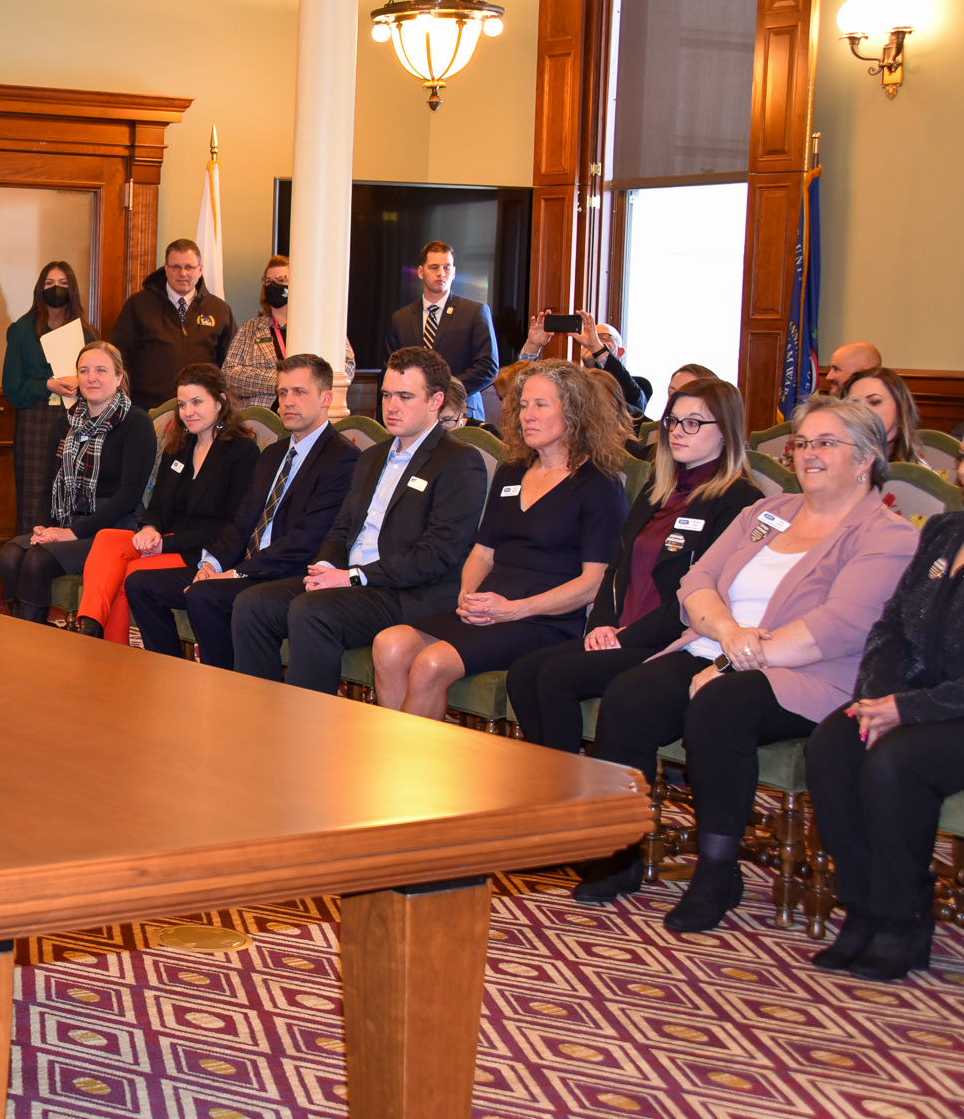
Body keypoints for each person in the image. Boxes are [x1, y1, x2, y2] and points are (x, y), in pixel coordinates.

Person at [587, 394, 918, 933]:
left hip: (809, 676)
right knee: (631, 694)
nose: (809, 454)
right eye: (803, 443)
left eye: (826, 443)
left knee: (721, 705)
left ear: (865, 458)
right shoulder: (767, 512)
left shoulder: (887, 536)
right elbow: (697, 582)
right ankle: (618, 848)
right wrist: (728, 636)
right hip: (716, 650)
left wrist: (739, 658)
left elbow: (838, 628)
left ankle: (717, 870)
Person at [805, 398, 964, 980]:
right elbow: (892, 624)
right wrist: (877, 698)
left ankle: (902, 919)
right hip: (927, 698)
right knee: (834, 743)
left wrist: (907, 709)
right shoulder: (948, 528)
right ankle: (863, 906)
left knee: (899, 761)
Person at [506, 378, 763, 902]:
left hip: (672, 641)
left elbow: (698, 597)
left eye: (695, 422)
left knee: (556, 675)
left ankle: (594, 833)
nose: (679, 432)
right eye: (673, 421)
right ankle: (561, 808)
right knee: (526, 671)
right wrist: (602, 622)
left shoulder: (740, 501)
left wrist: (625, 638)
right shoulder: (659, 488)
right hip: (619, 631)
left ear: (727, 431)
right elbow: (617, 567)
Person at [372, 359, 629, 721]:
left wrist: (514, 609)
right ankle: (403, 757)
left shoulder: (599, 485)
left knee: (431, 663)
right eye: (523, 405)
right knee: (389, 645)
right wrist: (468, 597)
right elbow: (482, 551)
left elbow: (594, 583)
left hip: (542, 620)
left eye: (541, 405)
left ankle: (415, 771)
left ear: (573, 411)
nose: (528, 415)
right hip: (489, 609)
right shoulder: (512, 470)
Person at [231, 348, 488, 690]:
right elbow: (341, 529)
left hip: (406, 592)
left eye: (405, 396)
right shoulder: (372, 456)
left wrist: (352, 577)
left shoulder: (458, 461)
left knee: (313, 611)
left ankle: (306, 727)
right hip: (354, 581)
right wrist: (324, 568)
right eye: (386, 395)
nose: (391, 406)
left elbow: (436, 556)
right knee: (254, 603)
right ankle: (254, 713)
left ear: (435, 400)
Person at [126, 355, 359, 666]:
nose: (288, 402)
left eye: (299, 392)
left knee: (204, 596)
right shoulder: (274, 453)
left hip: (285, 573)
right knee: (142, 584)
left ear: (326, 398)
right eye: (283, 393)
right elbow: (241, 522)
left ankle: (224, 686)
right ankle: (167, 673)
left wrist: (234, 572)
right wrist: (211, 564)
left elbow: (307, 540)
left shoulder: (342, 458)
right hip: (241, 565)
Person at [73, 364, 259, 642]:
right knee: (107, 538)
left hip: (201, 551)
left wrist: (165, 544)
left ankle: (112, 657)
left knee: (128, 574)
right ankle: (89, 627)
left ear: (220, 402)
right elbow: (158, 505)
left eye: (197, 402)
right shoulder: (179, 447)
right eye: (183, 405)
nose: (188, 412)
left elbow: (231, 525)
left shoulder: (241, 452)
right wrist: (149, 528)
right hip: (166, 541)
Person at [0, 342, 155, 625]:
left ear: (119, 378)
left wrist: (72, 533)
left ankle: (29, 644)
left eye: (101, 370)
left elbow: (129, 496)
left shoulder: (136, 423)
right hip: (67, 520)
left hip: (112, 528)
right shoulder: (64, 424)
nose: (91, 377)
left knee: (37, 560)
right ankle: (25, 638)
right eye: (84, 370)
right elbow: (47, 486)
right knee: (9, 554)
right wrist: (44, 528)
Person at [0, 261, 88, 535]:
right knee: (35, 497)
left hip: (76, 419)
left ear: (72, 289)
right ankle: (29, 563)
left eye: (63, 284)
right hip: (36, 420)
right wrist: (48, 385)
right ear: (40, 289)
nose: (56, 289)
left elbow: (102, 378)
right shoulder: (22, 330)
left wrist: (81, 381)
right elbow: (12, 387)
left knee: (73, 493)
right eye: (50, 284)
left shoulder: (86, 331)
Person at [106, 239, 235, 409]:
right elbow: (119, 357)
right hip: (146, 407)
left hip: (200, 409)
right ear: (166, 268)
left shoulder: (219, 310)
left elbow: (230, 363)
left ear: (200, 269)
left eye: (189, 267)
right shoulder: (139, 305)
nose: (182, 273)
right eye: (176, 267)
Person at [221, 257, 354, 412]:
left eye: (281, 279)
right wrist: (280, 380)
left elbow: (346, 367)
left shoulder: (320, 327)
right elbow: (229, 376)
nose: (274, 285)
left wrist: (305, 383)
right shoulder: (248, 329)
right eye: (268, 281)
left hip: (310, 415)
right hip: (261, 421)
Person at [385, 242, 497, 419]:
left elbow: (488, 367)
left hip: (462, 411)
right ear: (421, 272)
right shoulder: (401, 318)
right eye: (434, 267)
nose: (440, 273)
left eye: (446, 268)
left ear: (453, 272)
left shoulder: (475, 312)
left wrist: (445, 391)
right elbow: (392, 369)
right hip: (413, 414)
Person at [519, 311, 648, 416]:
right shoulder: (566, 382)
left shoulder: (638, 385)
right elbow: (519, 390)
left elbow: (635, 401)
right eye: (589, 335)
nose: (591, 339)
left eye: (603, 337)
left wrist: (596, 347)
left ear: (620, 352)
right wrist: (532, 346)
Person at [842, 367, 921, 464]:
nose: (863, 411)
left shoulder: (918, 473)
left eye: (874, 402)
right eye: (854, 404)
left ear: (900, 407)